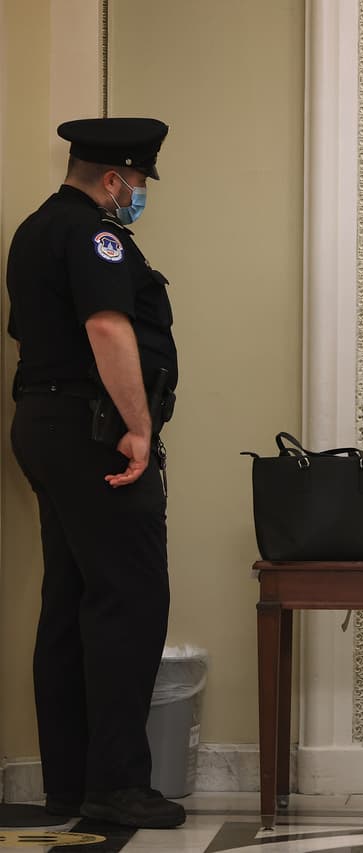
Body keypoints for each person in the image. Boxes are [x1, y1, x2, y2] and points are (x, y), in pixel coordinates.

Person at [6, 117, 184, 828]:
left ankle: (72, 781)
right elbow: (107, 327)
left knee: (72, 599)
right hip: (93, 432)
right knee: (129, 599)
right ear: (112, 178)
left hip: (45, 426)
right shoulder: (93, 234)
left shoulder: (35, 229)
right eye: (137, 182)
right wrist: (138, 428)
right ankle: (116, 785)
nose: (138, 194)